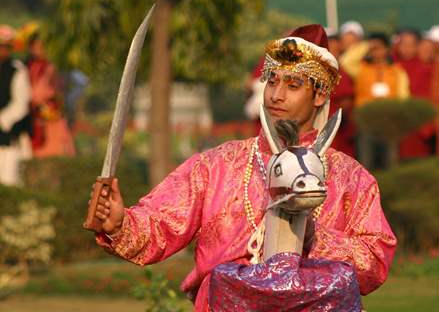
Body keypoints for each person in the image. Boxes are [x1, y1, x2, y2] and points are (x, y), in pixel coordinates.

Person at [89, 24, 397, 311]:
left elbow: (374, 260)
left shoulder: (350, 178)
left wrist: (314, 236)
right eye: (272, 81)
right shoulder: (218, 165)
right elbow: (160, 223)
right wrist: (119, 224)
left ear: (319, 95)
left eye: (293, 85)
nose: (276, 95)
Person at [355, 32, 410, 169]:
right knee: (366, 164)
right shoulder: (361, 68)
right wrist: (366, 45)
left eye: (378, 47)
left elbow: (403, 97)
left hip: (388, 123)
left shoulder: (397, 71)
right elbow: (346, 61)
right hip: (366, 122)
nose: (375, 51)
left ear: (387, 49)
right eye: (372, 48)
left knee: (390, 163)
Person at [26, 33, 76, 157]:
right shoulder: (27, 67)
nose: (40, 49)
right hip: (33, 121)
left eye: (43, 46)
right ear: (30, 48)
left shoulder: (53, 67)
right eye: (36, 46)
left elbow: (59, 93)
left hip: (52, 121)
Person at [393, 29, 436, 159]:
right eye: (403, 44)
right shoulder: (393, 66)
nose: (406, 49)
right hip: (397, 124)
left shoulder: (425, 68)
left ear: (417, 46)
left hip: (419, 126)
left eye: (410, 45)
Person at [0, 25, 32, 185]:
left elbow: (21, 104)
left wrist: (2, 120)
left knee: (9, 180)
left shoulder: (17, 70)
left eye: (6, 47)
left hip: (10, 137)